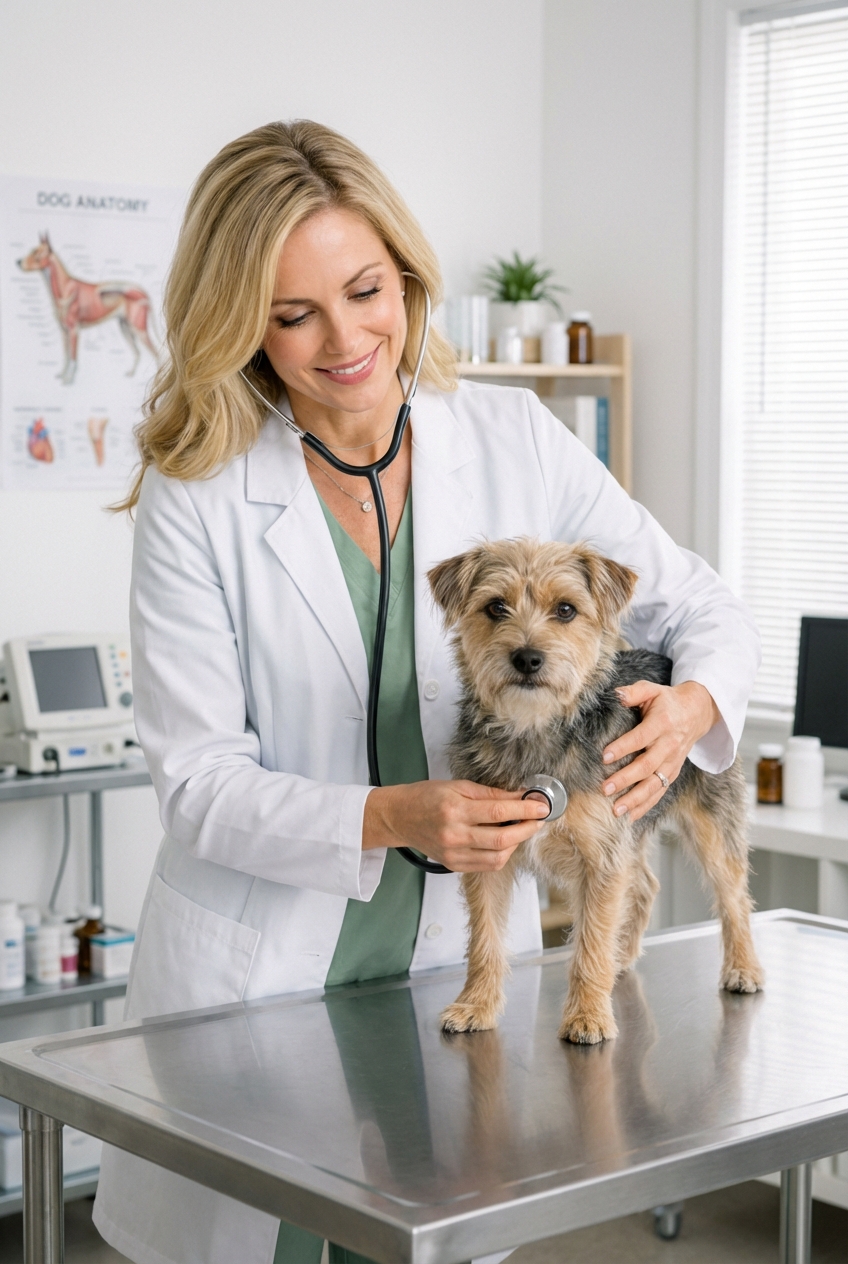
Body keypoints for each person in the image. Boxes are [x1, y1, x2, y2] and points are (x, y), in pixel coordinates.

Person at [93, 120, 760, 1264]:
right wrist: (394, 815)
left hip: (446, 983)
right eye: (291, 312)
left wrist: (692, 708)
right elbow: (197, 784)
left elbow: (698, 603)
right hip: (261, 976)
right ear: (235, 319)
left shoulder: (507, 432)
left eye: (364, 290)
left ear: (405, 272)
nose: (345, 339)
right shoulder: (195, 488)